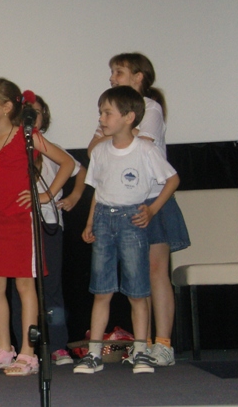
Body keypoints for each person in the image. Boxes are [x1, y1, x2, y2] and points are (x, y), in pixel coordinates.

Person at [0, 79, 74, 376]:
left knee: (25, 285)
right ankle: (4, 349)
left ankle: (28, 353)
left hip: (21, 220)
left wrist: (45, 194)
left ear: (6, 107)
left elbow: (67, 163)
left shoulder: (27, 136)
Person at [87, 53, 189, 367]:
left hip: (152, 201)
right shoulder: (112, 111)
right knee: (132, 277)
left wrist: (153, 209)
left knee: (156, 271)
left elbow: (136, 146)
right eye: (112, 72)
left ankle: (163, 343)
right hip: (118, 207)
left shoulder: (151, 109)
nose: (112, 77)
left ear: (138, 76)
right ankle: (142, 343)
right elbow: (95, 151)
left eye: (118, 72)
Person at [8, 92, 86, 366]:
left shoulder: (50, 147)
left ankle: (58, 344)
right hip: (18, 226)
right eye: (25, 112)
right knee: (20, 289)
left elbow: (78, 170)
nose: (31, 117)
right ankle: (25, 347)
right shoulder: (12, 145)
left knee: (51, 288)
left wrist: (66, 195)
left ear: (44, 117)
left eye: (36, 112)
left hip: (48, 224)